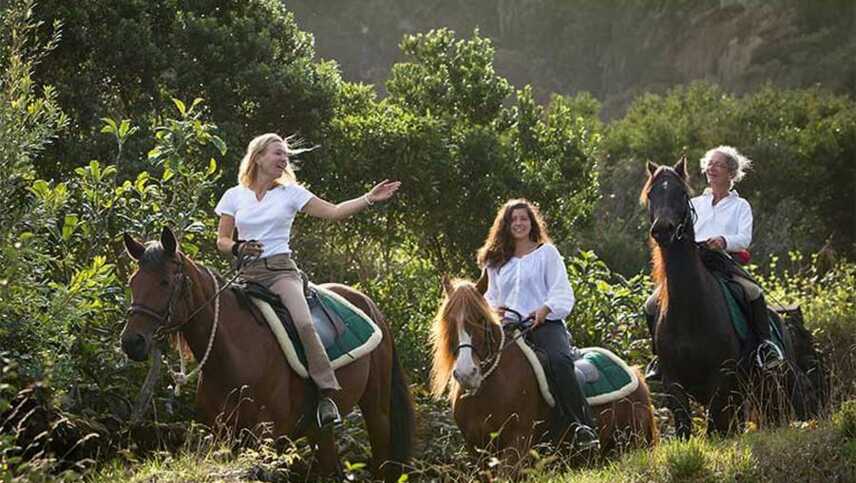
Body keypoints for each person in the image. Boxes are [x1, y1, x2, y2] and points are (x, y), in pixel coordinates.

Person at [214, 133, 400, 427]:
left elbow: (335, 211)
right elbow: (222, 240)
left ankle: (326, 393)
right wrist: (237, 247)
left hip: (280, 274)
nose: (283, 159)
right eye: (277, 153)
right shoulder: (234, 195)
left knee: (303, 322)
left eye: (285, 155)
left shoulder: (291, 194)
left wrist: (369, 199)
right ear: (258, 157)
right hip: (244, 275)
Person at [644, 146, 784, 381]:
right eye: (709, 164)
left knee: (753, 292)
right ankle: (660, 357)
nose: (712, 168)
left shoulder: (741, 206)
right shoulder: (695, 203)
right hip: (693, 262)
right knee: (650, 305)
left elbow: (744, 238)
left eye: (718, 164)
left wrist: (723, 241)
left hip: (724, 263)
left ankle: (764, 347)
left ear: (731, 172)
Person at [476, 198, 600, 450]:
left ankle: (581, 427)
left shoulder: (547, 253)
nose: (519, 223)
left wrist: (545, 309)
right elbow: (488, 297)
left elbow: (562, 292)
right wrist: (492, 310)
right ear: (505, 225)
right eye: (514, 219)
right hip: (507, 329)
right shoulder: (495, 260)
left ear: (532, 223)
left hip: (545, 325)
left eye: (524, 218)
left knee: (559, 362)